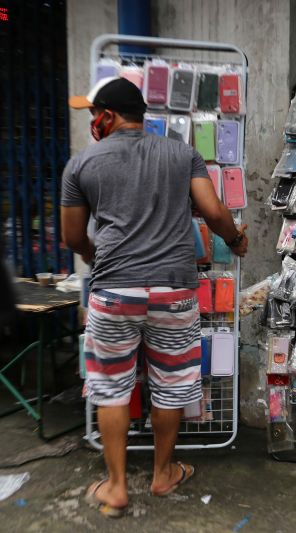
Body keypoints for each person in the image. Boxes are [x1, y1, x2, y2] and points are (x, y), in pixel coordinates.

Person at [61, 77, 248, 518]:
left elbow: (73, 237)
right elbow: (215, 212)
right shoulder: (182, 154)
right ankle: (163, 474)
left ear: (107, 115)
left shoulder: (81, 164)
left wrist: (97, 255)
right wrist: (236, 240)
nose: (92, 121)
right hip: (173, 290)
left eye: (93, 113)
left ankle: (116, 487)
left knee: (110, 389)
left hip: (113, 292)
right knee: (170, 387)